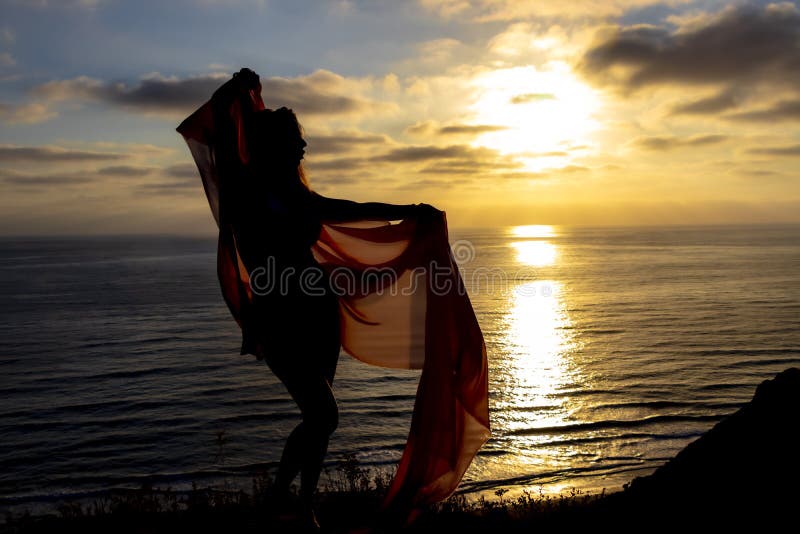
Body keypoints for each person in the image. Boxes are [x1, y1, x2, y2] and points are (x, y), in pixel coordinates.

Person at [177, 68, 489, 530]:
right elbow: (220, 131)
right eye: (296, 141)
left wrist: (410, 212)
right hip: (278, 318)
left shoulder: (300, 197)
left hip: (318, 313)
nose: (304, 148)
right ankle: (278, 504)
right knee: (323, 414)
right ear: (275, 145)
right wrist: (240, 91)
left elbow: (354, 210)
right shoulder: (244, 191)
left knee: (320, 419)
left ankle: (302, 507)